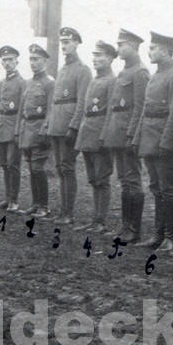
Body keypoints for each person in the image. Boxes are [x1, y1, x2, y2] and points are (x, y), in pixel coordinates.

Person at [133, 31, 173, 252]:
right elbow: (146, 110)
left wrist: (167, 144)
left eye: (153, 48)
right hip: (150, 140)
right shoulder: (156, 76)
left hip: (166, 144)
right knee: (156, 188)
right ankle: (158, 235)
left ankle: (170, 237)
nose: (149, 52)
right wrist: (138, 138)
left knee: (169, 190)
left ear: (165, 51)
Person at [100, 29, 149, 243]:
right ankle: (125, 225)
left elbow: (140, 107)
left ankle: (134, 230)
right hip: (117, 135)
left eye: (122, 45)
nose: (118, 48)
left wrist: (133, 135)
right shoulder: (124, 72)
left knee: (132, 181)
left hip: (128, 136)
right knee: (124, 180)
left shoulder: (140, 72)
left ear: (133, 46)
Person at [45, 27, 93, 225]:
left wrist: (73, 127)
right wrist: (50, 125)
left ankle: (68, 213)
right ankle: (62, 211)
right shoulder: (63, 69)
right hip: (57, 125)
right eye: (62, 42)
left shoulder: (83, 70)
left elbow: (82, 102)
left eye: (67, 42)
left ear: (77, 43)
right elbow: (55, 101)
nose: (64, 46)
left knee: (67, 168)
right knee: (60, 168)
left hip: (68, 127)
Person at [74, 41, 118, 232]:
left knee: (102, 178)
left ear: (110, 58)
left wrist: (104, 135)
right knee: (93, 179)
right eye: (94, 55)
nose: (95, 59)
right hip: (88, 132)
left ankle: (101, 220)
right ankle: (95, 219)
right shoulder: (94, 80)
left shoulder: (112, 81)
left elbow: (110, 111)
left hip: (100, 134)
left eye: (99, 55)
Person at [17, 44, 55, 217]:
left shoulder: (50, 83)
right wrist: (19, 129)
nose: (33, 63)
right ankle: (35, 203)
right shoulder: (28, 82)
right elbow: (23, 109)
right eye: (31, 59)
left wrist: (45, 129)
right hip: (27, 130)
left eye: (36, 59)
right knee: (32, 169)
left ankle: (44, 206)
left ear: (45, 61)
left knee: (38, 168)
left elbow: (51, 109)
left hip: (40, 130)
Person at [0, 45, 26, 213]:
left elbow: (22, 109)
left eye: (10, 59)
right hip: (2, 127)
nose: (7, 63)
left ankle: (14, 200)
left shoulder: (22, 83)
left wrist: (18, 130)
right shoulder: (2, 83)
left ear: (17, 61)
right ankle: (7, 197)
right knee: (4, 164)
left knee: (13, 165)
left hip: (14, 128)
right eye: (4, 60)